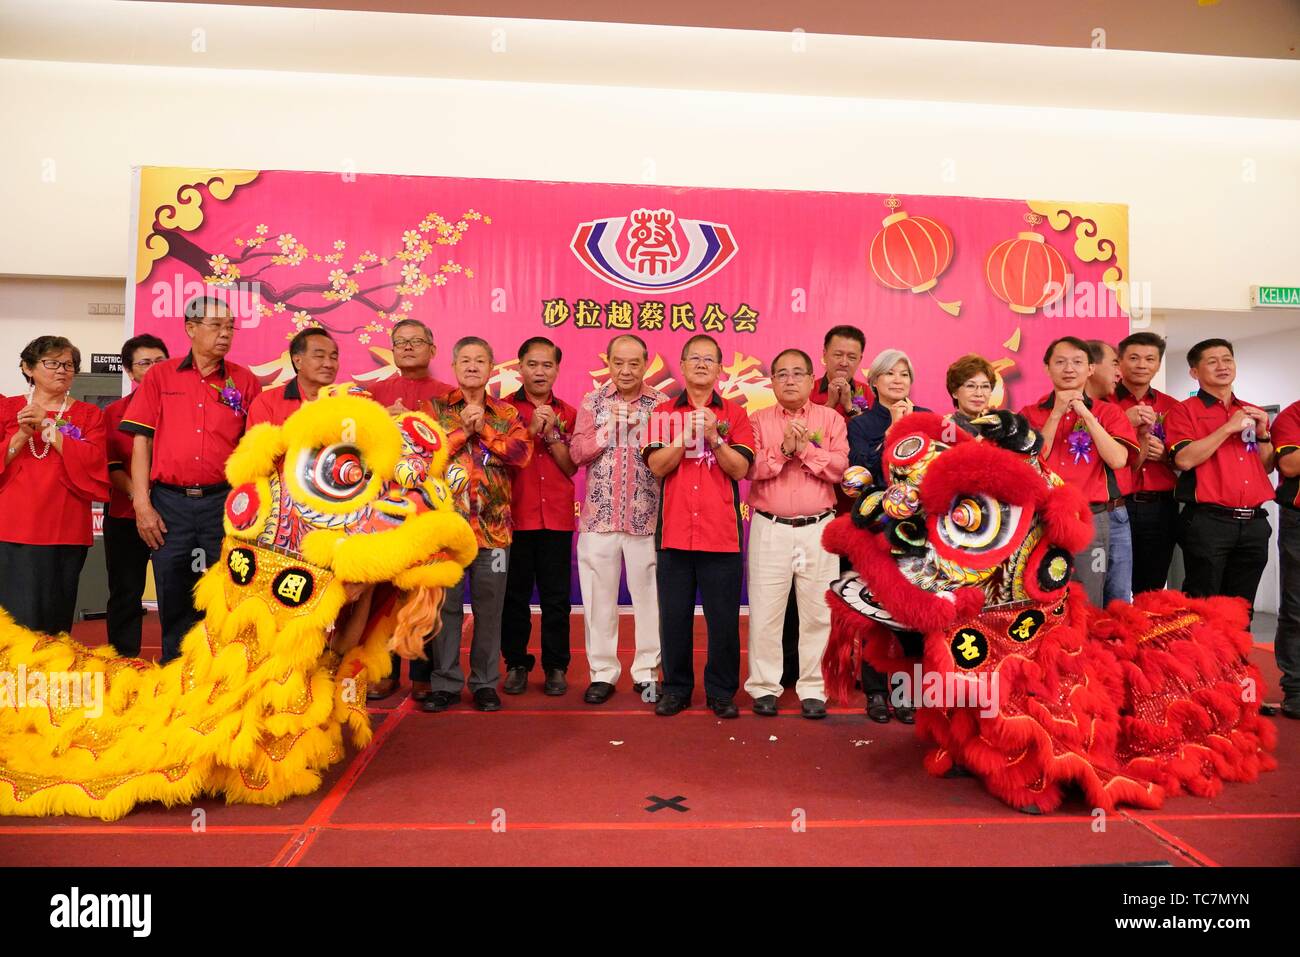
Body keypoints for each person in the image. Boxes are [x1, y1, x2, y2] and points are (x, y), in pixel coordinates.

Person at [121, 295, 261, 663]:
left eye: (230, 326)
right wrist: (142, 504)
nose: (225, 334)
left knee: (227, 589)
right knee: (173, 587)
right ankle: (176, 673)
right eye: (216, 326)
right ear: (191, 328)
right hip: (170, 502)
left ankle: (223, 671)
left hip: (224, 502)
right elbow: (141, 442)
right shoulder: (161, 376)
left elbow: (255, 448)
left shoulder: (244, 380)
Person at [418, 337, 532, 713]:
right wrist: (461, 432)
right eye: (464, 360)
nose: (471, 366)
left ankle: (485, 683)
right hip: (446, 533)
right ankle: (446, 683)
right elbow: (423, 458)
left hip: (494, 532)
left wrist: (482, 428)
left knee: (489, 608)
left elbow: (520, 453)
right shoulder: (434, 410)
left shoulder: (506, 414)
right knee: (445, 609)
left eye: (479, 360)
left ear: (491, 368)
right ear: (453, 366)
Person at [644, 333, 755, 718]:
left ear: (721, 369)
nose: (702, 365)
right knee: (673, 618)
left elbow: (740, 469)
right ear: (684, 366)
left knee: (723, 621)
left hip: (721, 534)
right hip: (674, 533)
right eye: (695, 358)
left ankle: (721, 692)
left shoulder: (736, 415)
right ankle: (674, 688)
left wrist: (712, 436)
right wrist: (685, 434)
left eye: (710, 359)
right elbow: (657, 467)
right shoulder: (662, 413)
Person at [745, 348, 848, 719]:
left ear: (810, 380)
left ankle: (813, 688)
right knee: (766, 611)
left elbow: (839, 470)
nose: (789, 380)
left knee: (818, 613)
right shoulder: (756, 420)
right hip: (770, 527)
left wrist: (804, 450)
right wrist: (783, 448)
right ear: (771, 382)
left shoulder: (831, 419)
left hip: (817, 528)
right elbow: (750, 469)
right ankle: (764, 686)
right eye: (782, 374)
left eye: (797, 374)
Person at [569, 334, 667, 705]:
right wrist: (610, 428)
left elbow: (668, 460)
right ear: (608, 363)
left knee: (649, 601)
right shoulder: (592, 402)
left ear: (646, 364)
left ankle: (646, 673)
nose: (626, 371)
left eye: (634, 364)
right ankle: (602, 673)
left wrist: (639, 427)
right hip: (599, 519)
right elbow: (578, 453)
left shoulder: (661, 404)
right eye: (618, 363)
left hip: (646, 519)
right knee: (598, 601)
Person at [0, 336, 110, 635]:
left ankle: (51, 675)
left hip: (64, 526)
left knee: (55, 615)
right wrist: (22, 435)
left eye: (69, 365)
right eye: (52, 363)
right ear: (28, 367)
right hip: (13, 527)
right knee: (13, 618)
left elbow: (94, 462)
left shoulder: (90, 415)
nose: (62, 370)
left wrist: (49, 427)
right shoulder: (6, 408)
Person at [1017, 336, 1136, 608]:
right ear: (1047, 368)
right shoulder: (1030, 413)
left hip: (1092, 517)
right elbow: (1031, 460)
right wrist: (1056, 414)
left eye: (1077, 362)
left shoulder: (1109, 412)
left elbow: (1118, 459)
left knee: (1091, 600)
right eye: (1060, 362)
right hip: (1042, 520)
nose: (1068, 368)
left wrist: (1088, 416)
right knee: (1042, 595)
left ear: (1090, 369)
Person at [847, 348, 929, 722]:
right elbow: (863, 474)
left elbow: (933, 473)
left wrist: (910, 427)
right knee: (874, 614)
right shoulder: (861, 425)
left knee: (914, 617)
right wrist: (894, 432)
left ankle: (907, 693)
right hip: (877, 530)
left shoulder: (928, 420)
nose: (898, 381)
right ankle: (876, 693)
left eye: (905, 375)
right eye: (890, 374)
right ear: (875, 381)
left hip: (919, 533)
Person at [1166, 338, 1275, 617]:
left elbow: (1266, 468)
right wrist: (1227, 428)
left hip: (1253, 524)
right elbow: (1184, 459)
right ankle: (1203, 661)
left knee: (1241, 610)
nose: (1222, 366)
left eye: (1227, 359)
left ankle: (1236, 661)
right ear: (1195, 372)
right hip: (1208, 522)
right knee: (1204, 606)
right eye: (1212, 361)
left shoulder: (1249, 410)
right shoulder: (1184, 410)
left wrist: (1263, 433)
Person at [499, 337, 578, 698]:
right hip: (513, 516)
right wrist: (529, 435)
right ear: (519, 368)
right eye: (533, 364)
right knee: (513, 597)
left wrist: (554, 436)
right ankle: (515, 664)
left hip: (557, 518)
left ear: (558, 370)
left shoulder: (571, 413)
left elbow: (572, 467)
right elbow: (500, 462)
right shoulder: (500, 411)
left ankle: (556, 666)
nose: (540, 371)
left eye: (548, 365)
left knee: (556, 598)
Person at [101, 334, 169, 656]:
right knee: (126, 592)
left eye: (160, 361)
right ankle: (122, 660)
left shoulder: (183, 410)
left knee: (179, 591)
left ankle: (179, 662)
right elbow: (112, 467)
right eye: (145, 363)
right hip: (126, 515)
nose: (154, 368)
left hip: (176, 513)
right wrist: (140, 499)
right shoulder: (113, 413)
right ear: (130, 371)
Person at [1113, 332, 1181, 594]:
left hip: (1160, 506)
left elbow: (1184, 460)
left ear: (1158, 364)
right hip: (1117, 505)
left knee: (1151, 587)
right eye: (1134, 358)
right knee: (1113, 586)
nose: (1142, 364)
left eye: (1150, 359)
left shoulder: (1172, 406)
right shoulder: (1105, 404)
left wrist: (1165, 456)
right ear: (1119, 362)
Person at [1085, 339, 1133, 605]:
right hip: (1074, 517)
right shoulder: (1048, 412)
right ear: (1090, 367)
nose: (1120, 372)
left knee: (1118, 600)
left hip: (1114, 513)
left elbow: (1119, 460)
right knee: (1083, 603)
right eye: (1114, 363)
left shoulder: (1111, 412)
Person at [245, 327, 339, 428]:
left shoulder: (347, 401)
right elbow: (258, 443)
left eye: (334, 357)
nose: (328, 364)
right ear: (297, 361)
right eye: (319, 356)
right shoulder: (267, 402)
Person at [1271, 400, 1300, 719]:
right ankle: (1296, 690)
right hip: (1298, 519)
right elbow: (1290, 465)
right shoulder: (1293, 415)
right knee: (1296, 609)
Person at [366, 319, 453, 412]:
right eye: (400, 342)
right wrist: (383, 417)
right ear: (393, 352)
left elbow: (455, 426)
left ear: (432, 351)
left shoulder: (450, 395)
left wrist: (414, 420)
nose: (408, 347)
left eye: (416, 341)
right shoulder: (374, 392)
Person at [944, 353, 997, 437]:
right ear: (955, 392)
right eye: (971, 386)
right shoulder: (947, 430)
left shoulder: (998, 428)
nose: (979, 393)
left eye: (985, 386)